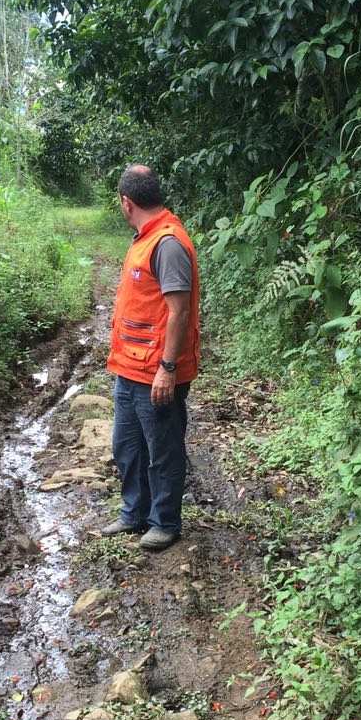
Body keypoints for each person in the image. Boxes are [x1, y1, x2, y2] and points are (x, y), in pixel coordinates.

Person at [102, 164, 201, 551]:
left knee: (162, 450)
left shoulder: (168, 243)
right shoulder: (143, 237)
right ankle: (133, 513)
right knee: (127, 447)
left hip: (156, 371)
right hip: (128, 368)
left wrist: (167, 369)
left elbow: (179, 312)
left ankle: (164, 522)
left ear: (127, 202)